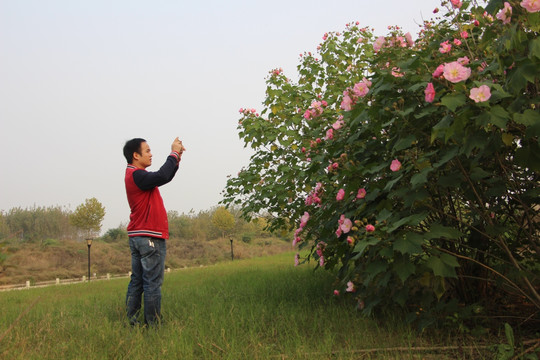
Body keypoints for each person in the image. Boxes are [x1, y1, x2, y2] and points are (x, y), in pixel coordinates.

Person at [122, 137, 185, 326]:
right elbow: (162, 176)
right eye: (147, 151)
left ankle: (132, 323)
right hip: (149, 236)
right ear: (136, 155)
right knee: (152, 284)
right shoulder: (137, 174)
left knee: (138, 282)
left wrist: (177, 157)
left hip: (138, 236)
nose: (151, 154)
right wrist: (173, 153)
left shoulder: (136, 176)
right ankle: (153, 326)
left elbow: (165, 176)